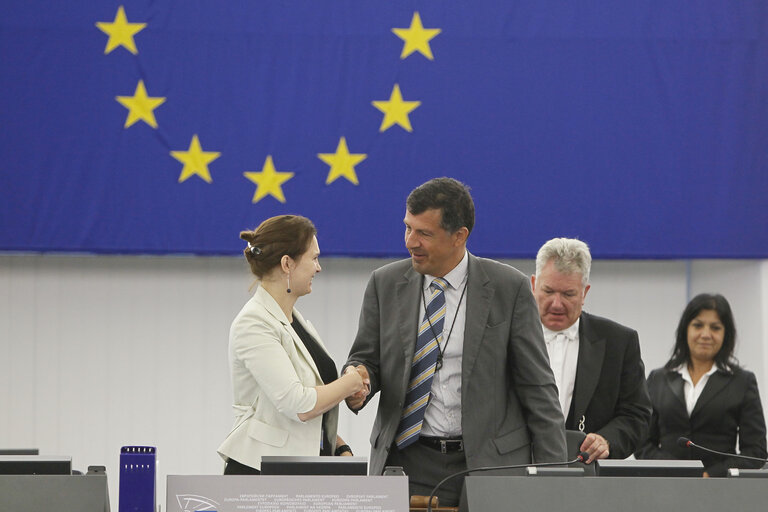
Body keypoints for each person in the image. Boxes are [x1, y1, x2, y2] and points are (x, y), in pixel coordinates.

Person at [344, 177, 566, 507]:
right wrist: (357, 380)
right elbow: (366, 359)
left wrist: (556, 480)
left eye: (424, 233)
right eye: (407, 228)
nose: (410, 241)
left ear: (459, 236)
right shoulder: (384, 284)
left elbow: (538, 389)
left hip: (489, 466)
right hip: (406, 463)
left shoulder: (509, 288)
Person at [217, 215, 367, 474]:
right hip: (260, 473)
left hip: (298, 469)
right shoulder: (254, 323)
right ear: (287, 263)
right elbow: (298, 405)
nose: (318, 268)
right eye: (314, 258)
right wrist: (351, 382)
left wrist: (336, 445)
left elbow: (293, 413)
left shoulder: (294, 321)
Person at [530, 238, 652, 462]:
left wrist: (607, 440)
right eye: (548, 291)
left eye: (568, 294)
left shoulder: (619, 342)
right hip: (516, 474)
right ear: (533, 285)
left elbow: (637, 416)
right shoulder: (504, 335)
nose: (557, 304)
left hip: (590, 479)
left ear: (584, 293)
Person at [635, 293, 767, 477]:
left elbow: (756, 452)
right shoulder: (658, 379)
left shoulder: (742, 382)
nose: (706, 334)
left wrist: (713, 474)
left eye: (715, 327)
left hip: (720, 492)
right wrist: (676, 471)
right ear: (685, 330)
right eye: (698, 325)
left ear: (726, 333)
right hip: (666, 487)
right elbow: (642, 443)